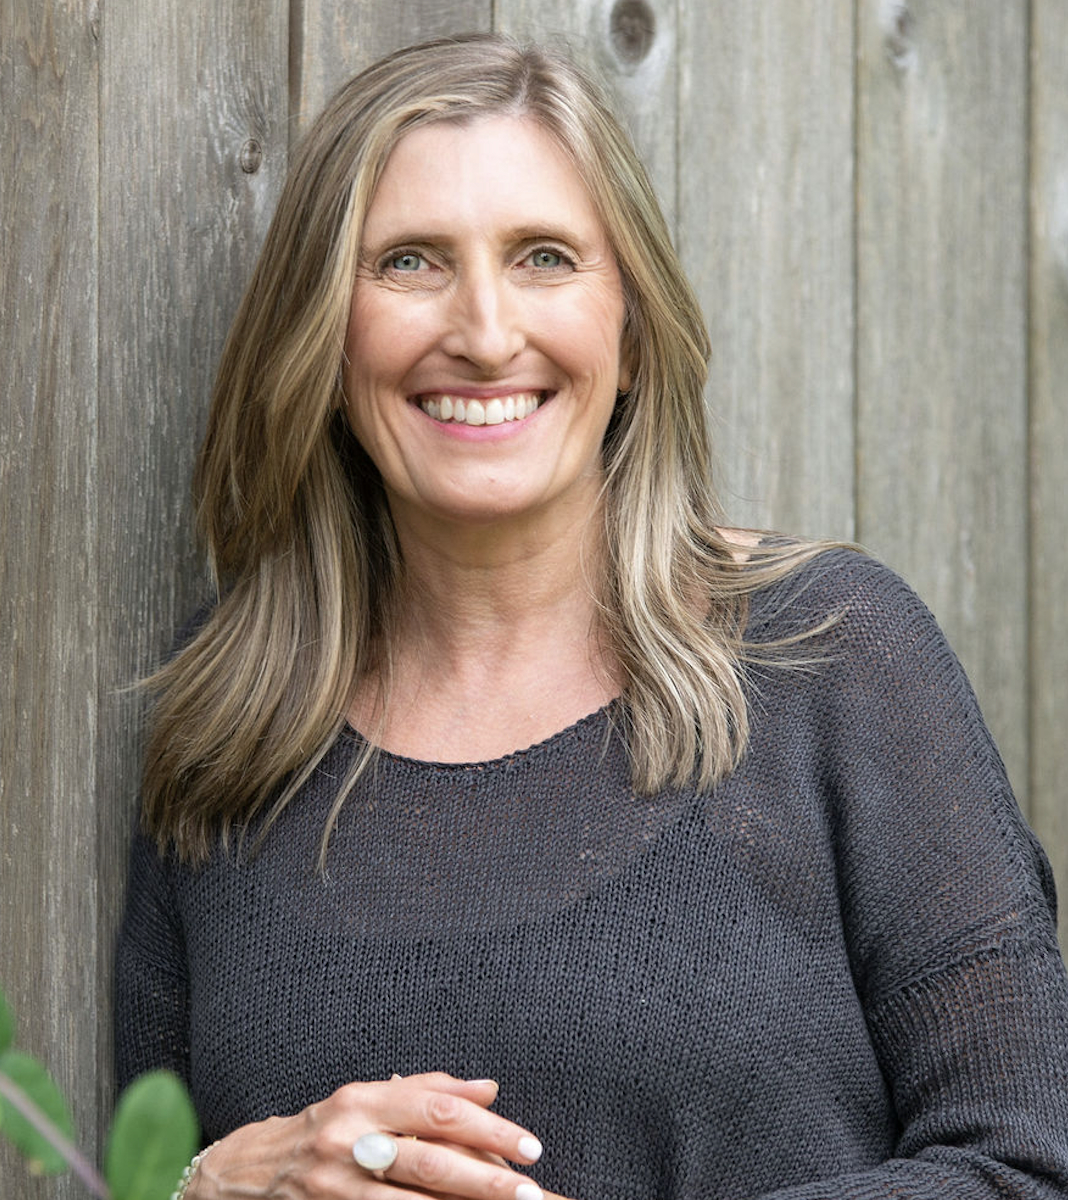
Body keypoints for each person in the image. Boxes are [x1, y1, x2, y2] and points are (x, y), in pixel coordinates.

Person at [114, 32, 1068, 1200]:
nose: (485, 330)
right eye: (409, 262)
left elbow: (1027, 1162)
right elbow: (126, 1165)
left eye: (544, 257)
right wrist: (201, 1186)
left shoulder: (829, 658)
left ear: (631, 327)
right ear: (321, 329)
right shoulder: (228, 725)